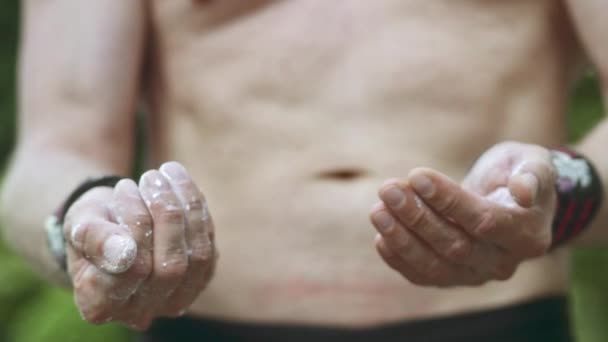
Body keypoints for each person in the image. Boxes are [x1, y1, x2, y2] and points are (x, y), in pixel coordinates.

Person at [1, 1, 607, 341]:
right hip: (212, 330)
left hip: (495, 327)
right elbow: (55, 147)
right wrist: (83, 221)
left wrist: (568, 194)